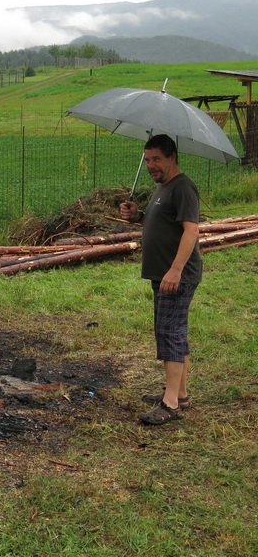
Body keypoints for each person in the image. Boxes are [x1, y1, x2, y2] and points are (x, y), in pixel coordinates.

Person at [120, 134, 202, 426]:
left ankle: (170, 404)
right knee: (173, 331)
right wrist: (137, 216)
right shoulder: (163, 188)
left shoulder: (183, 187)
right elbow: (162, 222)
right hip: (162, 274)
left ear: (172, 157)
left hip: (176, 275)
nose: (151, 165)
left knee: (170, 333)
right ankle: (179, 394)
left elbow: (191, 231)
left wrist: (176, 269)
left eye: (156, 159)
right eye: (147, 160)